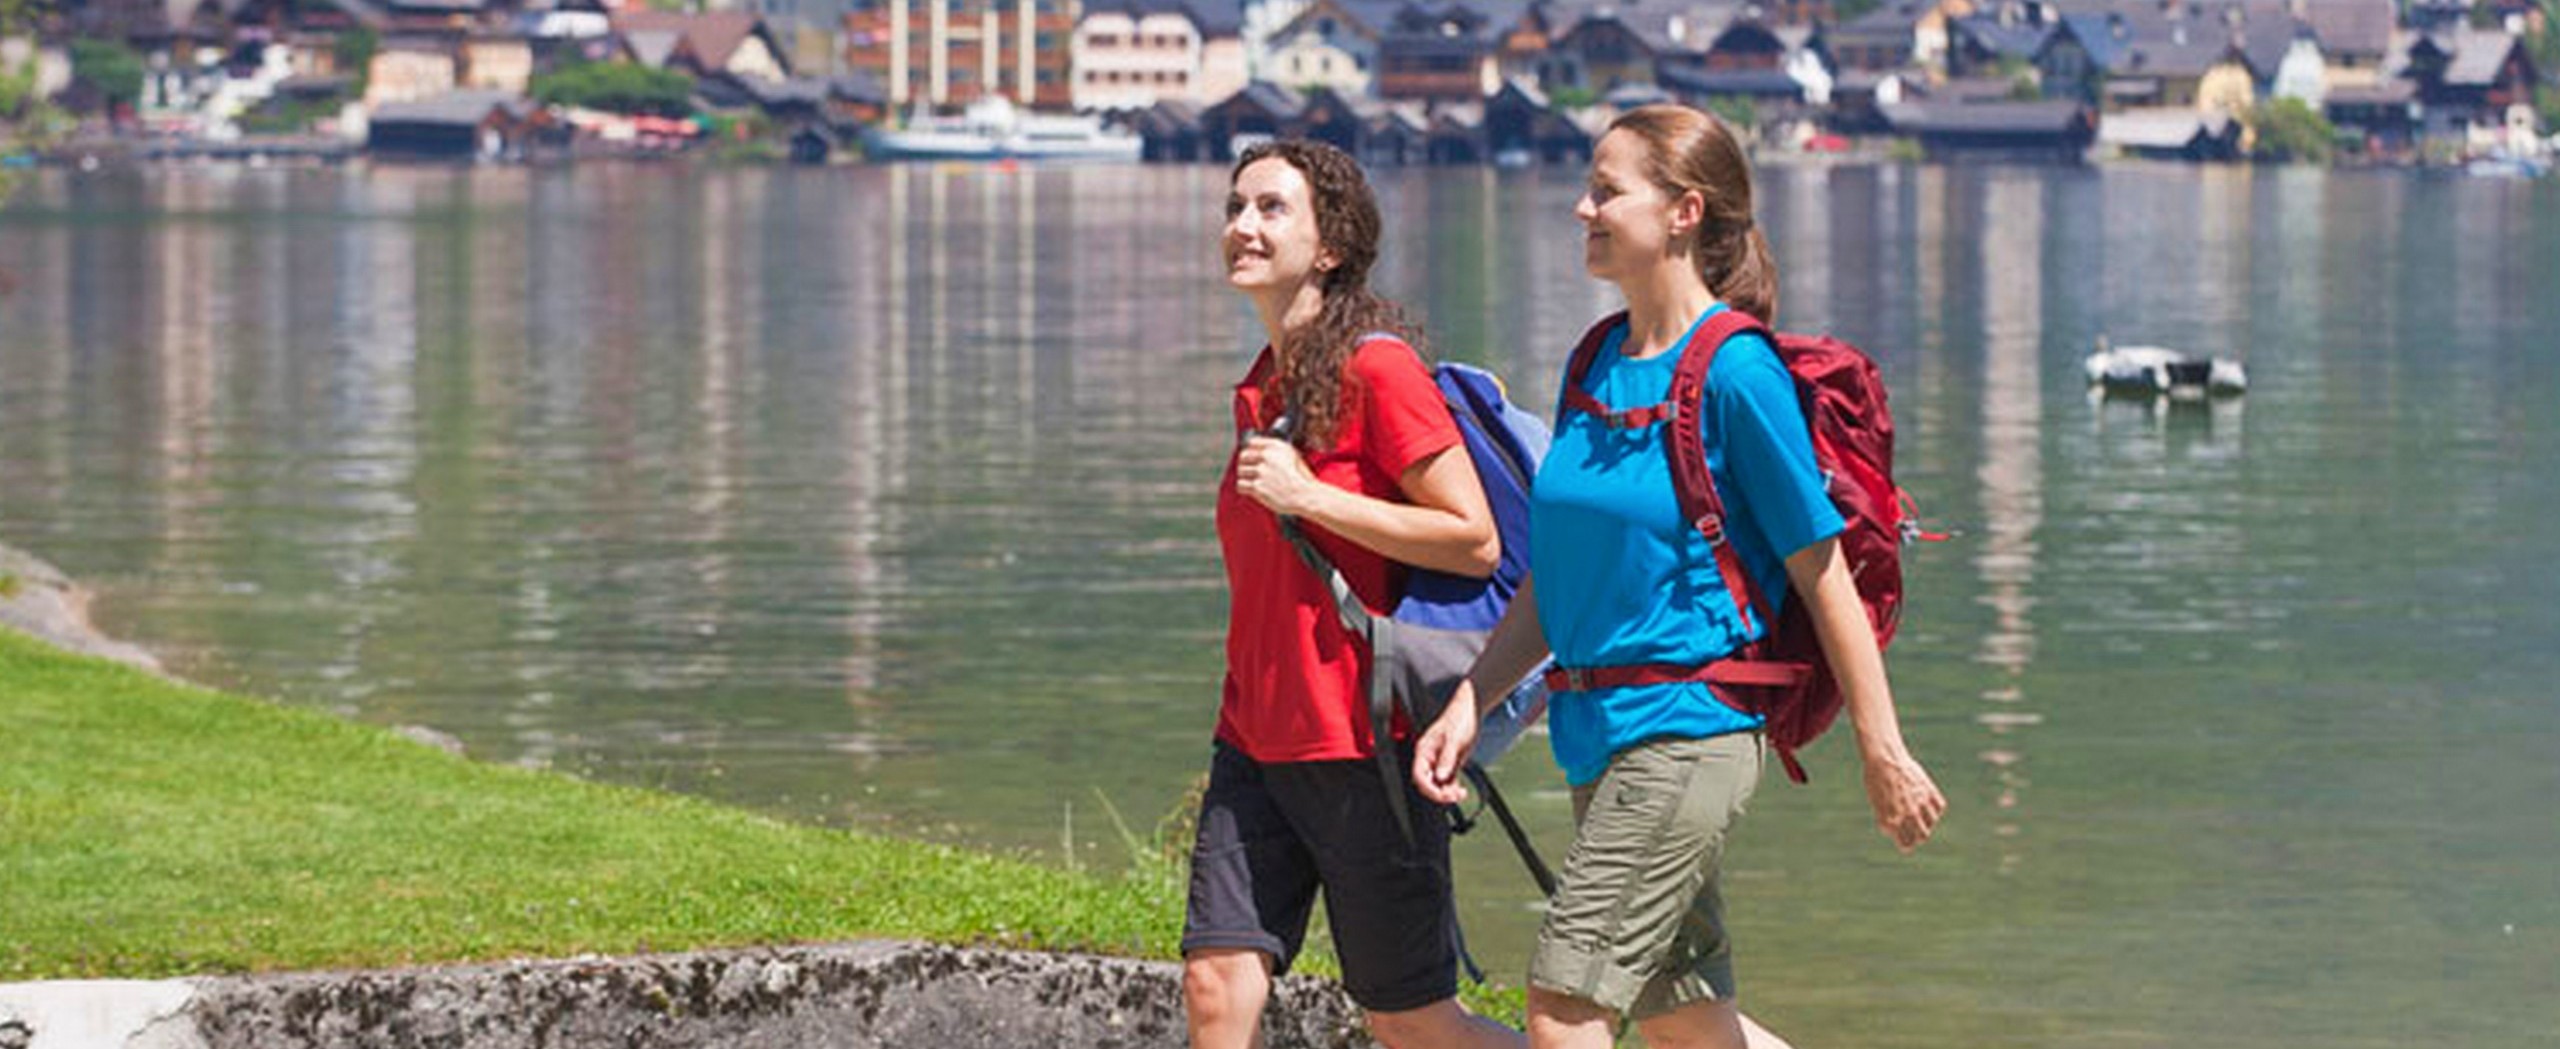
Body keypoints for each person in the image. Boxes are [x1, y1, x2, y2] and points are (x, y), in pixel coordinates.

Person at [1411, 105, 1949, 1049]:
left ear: (1683, 212)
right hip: (1596, 732)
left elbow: (1822, 574)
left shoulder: (1737, 373)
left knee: (1565, 1007)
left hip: (1691, 731)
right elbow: (1559, 576)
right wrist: (1472, 696)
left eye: (1607, 190)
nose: (1582, 206)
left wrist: (1883, 747)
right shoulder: (1594, 360)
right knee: (1689, 1022)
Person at [1183, 139, 1524, 1049]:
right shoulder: (1264, 386)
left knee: (1412, 1022)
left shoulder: (1378, 371)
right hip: (1253, 736)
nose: (1241, 227)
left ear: (1329, 246)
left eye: (1271, 209)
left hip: (1362, 742)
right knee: (1216, 984)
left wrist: (1311, 496)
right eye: (1235, 206)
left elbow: (1473, 537)